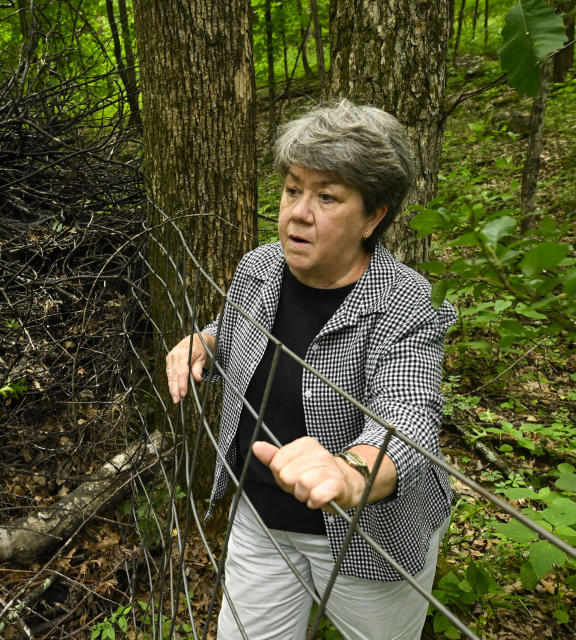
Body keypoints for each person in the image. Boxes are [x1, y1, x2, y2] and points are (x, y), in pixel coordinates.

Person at [164, 99, 455, 640]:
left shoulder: (407, 301)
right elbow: (235, 330)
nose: (298, 211)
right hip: (259, 516)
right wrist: (204, 341)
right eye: (293, 188)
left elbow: (409, 415)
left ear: (373, 216)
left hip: (367, 538)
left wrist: (348, 473)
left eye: (327, 196)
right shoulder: (260, 266)